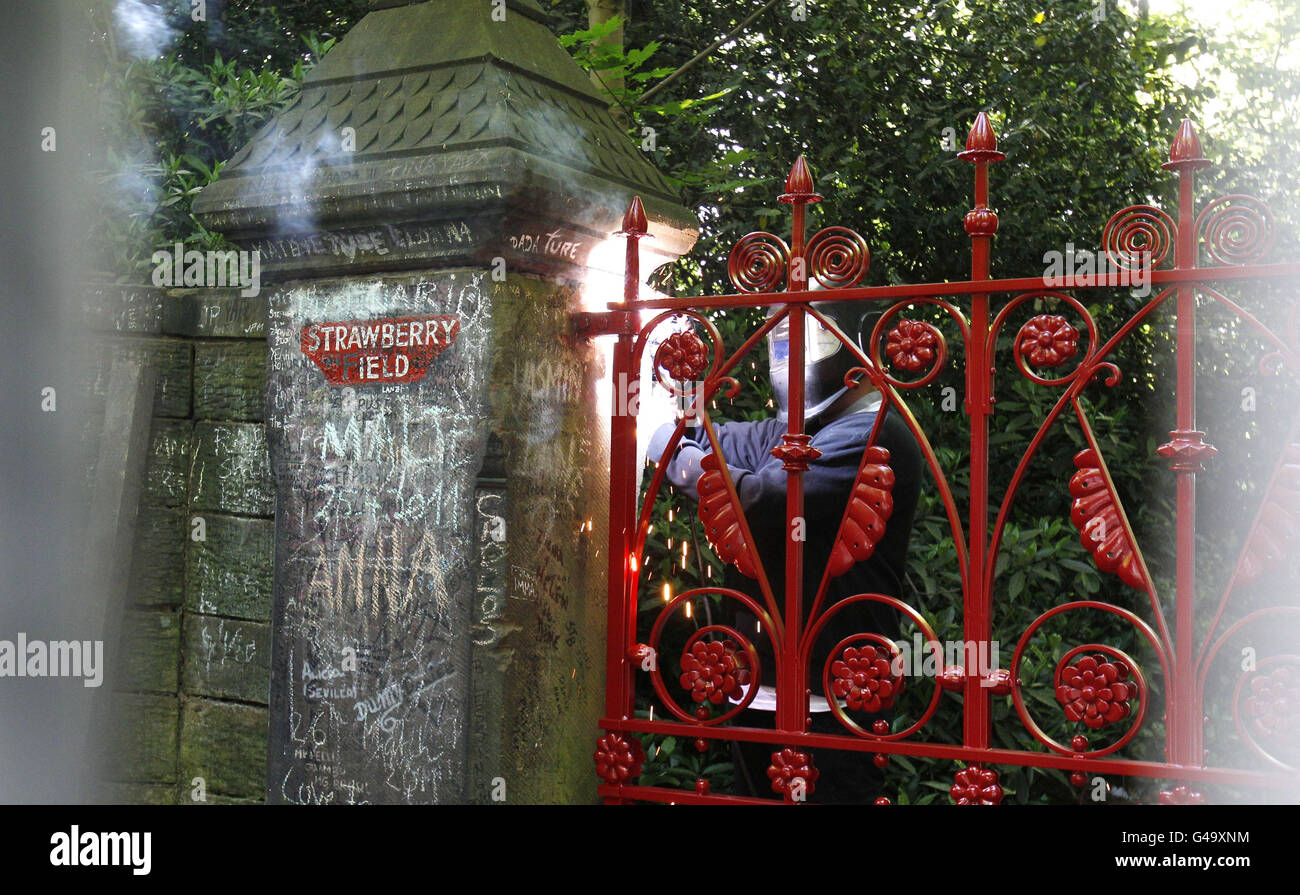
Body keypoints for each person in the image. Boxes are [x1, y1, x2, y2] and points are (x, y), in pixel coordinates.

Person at [649, 300, 924, 802]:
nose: (793, 360)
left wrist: (681, 460)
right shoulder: (789, 433)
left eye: (810, 342)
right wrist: (658, 424)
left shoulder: (873, 431)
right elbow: (708, 436)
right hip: (757, 684)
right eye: (785, 345)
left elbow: (762, 497)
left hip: (836, 690)